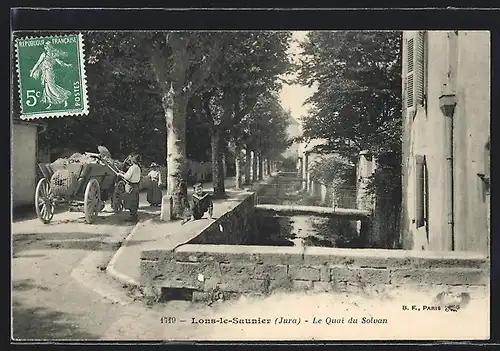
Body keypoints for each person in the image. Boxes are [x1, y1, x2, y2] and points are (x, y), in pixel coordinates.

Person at [29, 41, 72, 109]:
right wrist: (32, 72)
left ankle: (63, 98)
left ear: (50, 47)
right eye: (45, 46)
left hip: (50, 73)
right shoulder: (44, 54)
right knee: (47, 88)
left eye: (47, 46)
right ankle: (50, 103)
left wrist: (67, 65)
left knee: (51, 87)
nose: (45, 47)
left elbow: (60, 62)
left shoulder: (52, 54)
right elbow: (38, 63)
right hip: (45, 73)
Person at [118, 153, 142, 222]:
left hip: (131, 186)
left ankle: (132, 217)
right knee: (135, 201)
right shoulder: (138, 167)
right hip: (136, 185)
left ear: (133, 160)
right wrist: (123, 173)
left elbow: (127, 177)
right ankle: (134, 216)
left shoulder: (132, 167)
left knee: (130, 200)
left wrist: (120, 174)